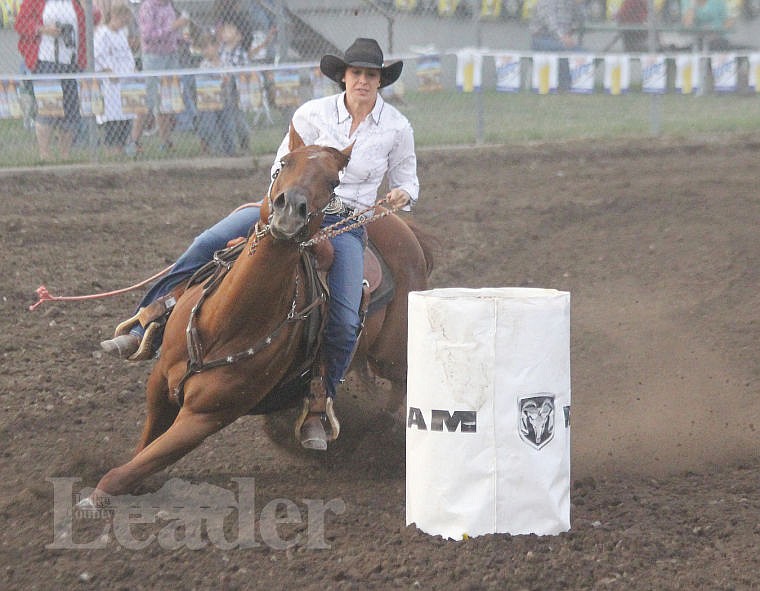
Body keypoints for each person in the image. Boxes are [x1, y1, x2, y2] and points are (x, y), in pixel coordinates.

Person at [100, 37, 418, 446]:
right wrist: (285, 206)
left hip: (346, 221)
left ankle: (320, 402)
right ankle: (147, 319)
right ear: (343, 77)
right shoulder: (311, 114)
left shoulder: (396, 127)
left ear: (380, 81)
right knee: (206, 243)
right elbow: (279, 168)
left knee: (343, 316)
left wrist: (401, 195)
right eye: (356, 73)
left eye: (371, 75)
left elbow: (408, 180)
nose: (363, 81)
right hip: (287, 206)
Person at [15, 0, 87, 160]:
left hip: (70, 61)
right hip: (45, 60)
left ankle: (65, 155)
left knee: (70, 109)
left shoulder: (75, 3)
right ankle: (45, 154)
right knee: (48, 108)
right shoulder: (35, 2)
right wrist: (43, 29)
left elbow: (93, 18)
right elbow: (20, 24)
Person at [137, 0, 190, 151]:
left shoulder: (168, 6)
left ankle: (165, 142)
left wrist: (181, 38)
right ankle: (134, 141)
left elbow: (172, 33)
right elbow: (148, 36)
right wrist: (174, 26)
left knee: (166, 101)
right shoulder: (148, 7)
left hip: (170, 55)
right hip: (154, 57)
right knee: (149, 98)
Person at [94, 3, 144, 156]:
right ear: (115, 17)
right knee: (113, 122)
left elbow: (127, 55)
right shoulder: (102, 33)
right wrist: (108, 70)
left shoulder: (121, 33)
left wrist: (133, 69)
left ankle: (121, 151)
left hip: (126, 84)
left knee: (125, 120)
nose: (125, 23)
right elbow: (98, 56)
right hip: (111, 86)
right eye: (123, 20)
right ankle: (112, 153)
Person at [193, 31, 239, 156]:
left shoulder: (225, 63)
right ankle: (216, 150)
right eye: (203, 49)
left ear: (217, 47)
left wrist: (225, 80)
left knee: (227, 126)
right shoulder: (204, 66)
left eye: (208, 47)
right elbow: (203, 85)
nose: (206, 51)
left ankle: (230, 150)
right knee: (210, 126)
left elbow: (230, 77)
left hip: (225, 100)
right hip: (210, 103)